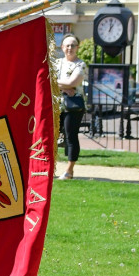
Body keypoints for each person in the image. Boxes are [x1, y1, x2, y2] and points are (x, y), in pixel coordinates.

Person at [56, 34, 85, 180]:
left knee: (70, 135)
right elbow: (46, 80)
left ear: (77, 48)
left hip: (73, 106)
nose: (70, 48)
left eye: (73, 45)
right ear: (62, 47)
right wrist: (64, 86)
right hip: (56, 104)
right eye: (67, 45)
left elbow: (73, 82)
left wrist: (59, 84)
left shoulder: (80, 64)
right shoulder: (57, 63)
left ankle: (69, 170)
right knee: (51, 134)